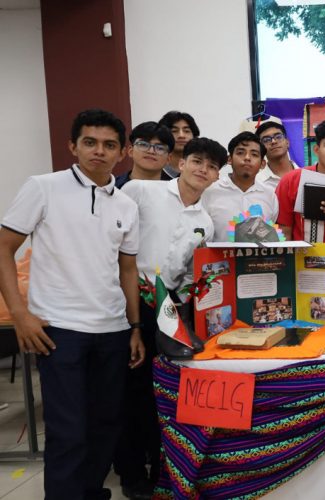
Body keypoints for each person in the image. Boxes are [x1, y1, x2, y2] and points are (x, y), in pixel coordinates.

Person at [0, 109, 144, 500]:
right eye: (90, 142)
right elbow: (4, 249)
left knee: (106, 425)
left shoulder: (126, 205)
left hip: (112, 330)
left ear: (122, 152)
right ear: (73, 146)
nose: (99, 151)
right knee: (68, 431)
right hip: (60, 329)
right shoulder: (43, 187)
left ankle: (88, 492)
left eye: (109, 145)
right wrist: (20, 315)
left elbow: (127, 270)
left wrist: (133, 328)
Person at [115, 137, 223, 498]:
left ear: (215, 175)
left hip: (172, 312)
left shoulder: (205, 222)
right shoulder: (142, 191)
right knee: (131, 392)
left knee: (164, 392)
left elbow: (193, 275)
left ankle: (165, 469)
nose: (201, 170)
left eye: (209, 166)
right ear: (182, 162)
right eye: (196, 161)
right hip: (130, 301)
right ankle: (131, 474)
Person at [203, 132, 278, 241]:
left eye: (254, 154)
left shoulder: (269, 195)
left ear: (262, 164)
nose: (247, 158)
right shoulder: (210, 191)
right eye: (240, 153)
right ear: (229, 159)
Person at [219, 119, 298, 192]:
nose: (273, 141)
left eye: (278, 137)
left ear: (287, 142)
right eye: (266, 140)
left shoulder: (305, 176)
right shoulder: (255, 182)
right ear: (261, 148)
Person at [114, 121, 175, 188]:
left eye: (160, 148)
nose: (151, 151)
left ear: (169, 158)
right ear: (131, 151)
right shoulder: (111, 187)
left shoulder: (177, 193)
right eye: (143, 144)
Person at [158, 110, 200, 178]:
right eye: (174, 131)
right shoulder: (154, 171)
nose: (181, 135)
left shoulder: (200, 172)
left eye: (186, 131)